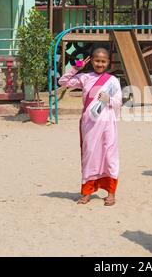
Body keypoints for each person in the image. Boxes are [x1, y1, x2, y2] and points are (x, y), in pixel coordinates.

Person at [58, 48, 122, 206]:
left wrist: (107, 99)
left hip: (107, 123)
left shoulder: (113, 81)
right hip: (90, 124)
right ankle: (87, 192)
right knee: (89, 156)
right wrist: (75, 68)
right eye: (97, 60)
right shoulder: (85, 77)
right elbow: (63, 82)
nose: (100, 64)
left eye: (103, 61)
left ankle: (111, 193)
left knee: (109, 156)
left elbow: (118, 103)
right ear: (91, 61)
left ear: (108, 63)